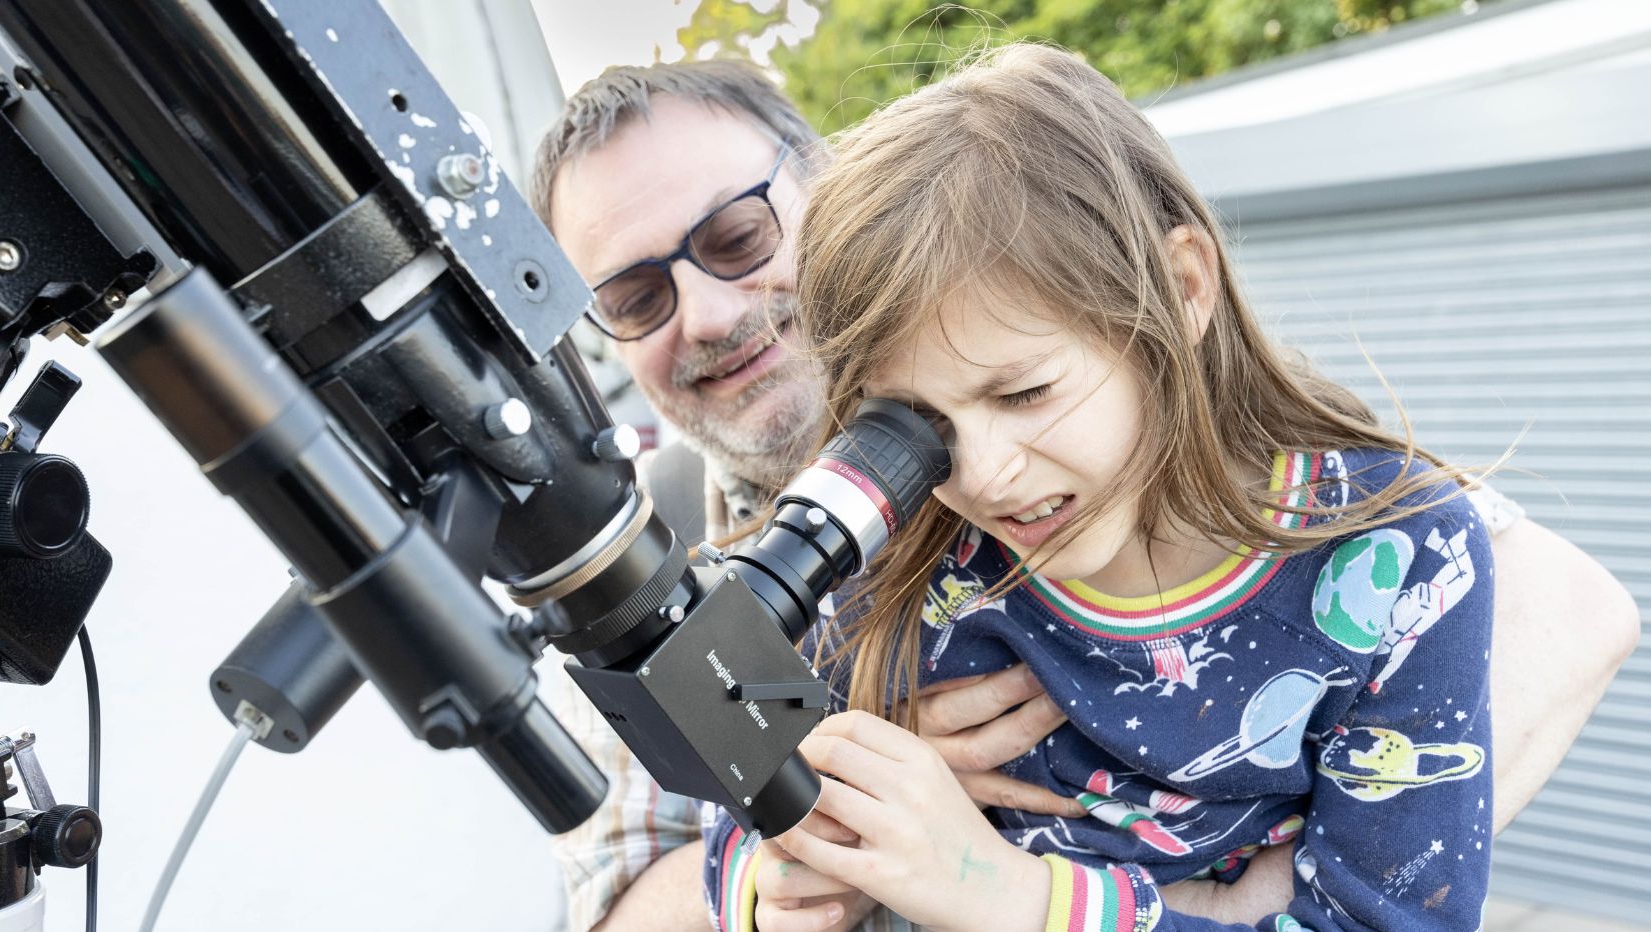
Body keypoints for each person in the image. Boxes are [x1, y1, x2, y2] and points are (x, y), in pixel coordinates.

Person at [529, 60, 1640, 932]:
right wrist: (797, 836)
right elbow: (681, 877)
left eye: (736, 236)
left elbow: (1568, 617)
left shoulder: (1390, 554)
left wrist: (1016, 890)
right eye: (631, 293)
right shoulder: (894, 545)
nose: (988, 471)